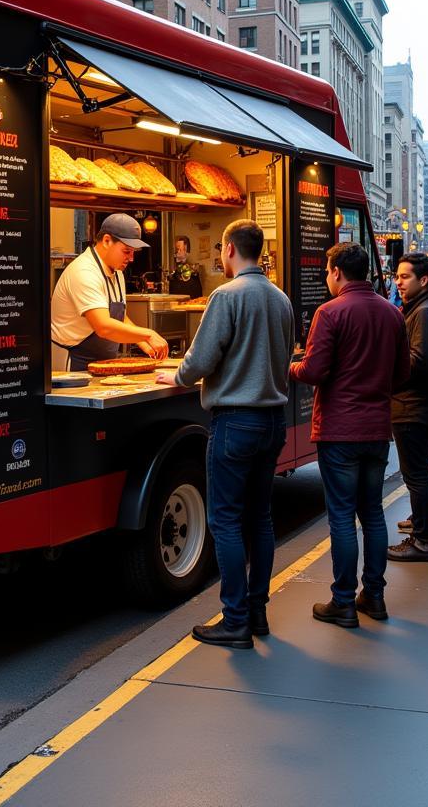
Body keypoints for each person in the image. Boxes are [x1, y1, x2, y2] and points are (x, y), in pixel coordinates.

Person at [157, 219, 294, 649]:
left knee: (226, 521)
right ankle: (257, 611)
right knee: (261, 518)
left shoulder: (225, 295)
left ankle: (234, 619)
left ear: (230, 249)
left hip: (235, 422)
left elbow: (199, 360)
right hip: (273, 419)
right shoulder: (281, 298)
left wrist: (176, 376)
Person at [290, 242, 409, 627]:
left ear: (337, 272)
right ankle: (374, 595)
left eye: (327, 270)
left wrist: (288, 368)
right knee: (372, 512)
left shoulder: (330, 312)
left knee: (341, 516)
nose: (327, 277)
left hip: (340, 429)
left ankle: (342, 601)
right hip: (376, 428)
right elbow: (403, 372)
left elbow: (313, 371)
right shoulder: (392, 313)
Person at [51, 213, 169, 371]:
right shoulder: (84, 271)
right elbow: (103, 326)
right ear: (106, 241)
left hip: (103, 362)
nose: (132, 258)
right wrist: (147, 334)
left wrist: (143, 344)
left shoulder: (117, 271)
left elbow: (118, 316)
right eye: (127, 251)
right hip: (73, 362)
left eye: (134, 252)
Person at [389, 253, 428, 563]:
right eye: (397, 276)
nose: (398, 281)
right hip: (414, 404)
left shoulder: (424, 312)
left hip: (414, 405)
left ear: (423, 280)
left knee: (416, 476)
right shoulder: (419, 309)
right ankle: (421, 535)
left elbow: (419, 363)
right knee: (417, 474)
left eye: (404, 276)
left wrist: (383, 368)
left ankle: (424, 541)